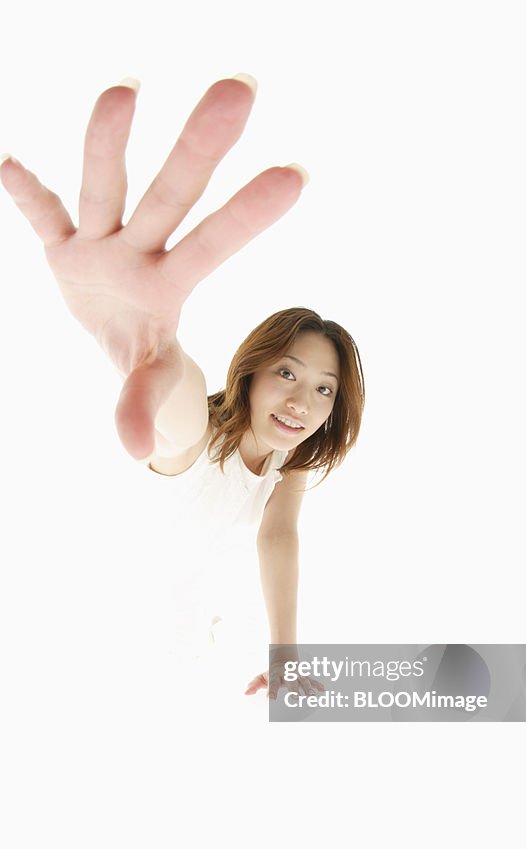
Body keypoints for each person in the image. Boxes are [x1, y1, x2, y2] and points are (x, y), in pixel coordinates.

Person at [0, 75, 365, 700]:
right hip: (110, 652)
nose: (304, 402)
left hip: (196, 645)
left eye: (325, 389)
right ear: (249, 371)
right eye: (286, 373)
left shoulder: (290, 455)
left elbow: (279, 535)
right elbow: (178, 417)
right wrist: (158, 355)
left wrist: (288, 655)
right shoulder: (198, 436)